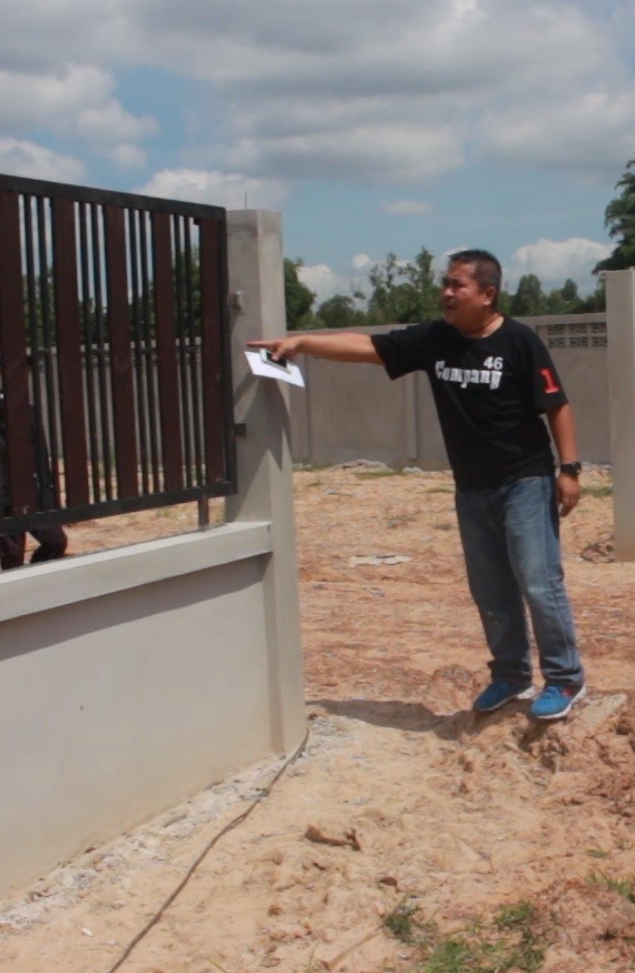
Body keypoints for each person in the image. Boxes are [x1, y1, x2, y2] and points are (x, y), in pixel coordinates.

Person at [249, 249, 588, 721]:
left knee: (537, 580)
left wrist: (568, 470)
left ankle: (564, 676)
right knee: (490, 590)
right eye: (444, 285)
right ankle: (511, 675)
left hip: (525, 481)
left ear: (488, 294)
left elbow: (557, 404)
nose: (447, 294)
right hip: (472, 487)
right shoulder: (436, 340)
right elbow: (368, 348)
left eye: (458, 285)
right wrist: (303, 343)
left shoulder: (520, 342)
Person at [0, 388, 69, 570]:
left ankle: (35, 577)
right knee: (12, 552)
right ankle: (13, 587)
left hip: (34, 485)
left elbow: (40, 448)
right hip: (8, 484)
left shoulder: (27, 405)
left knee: (55, 540)